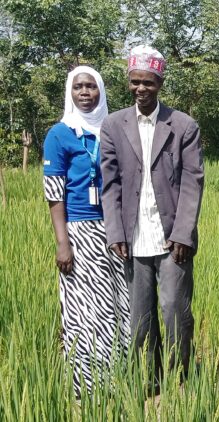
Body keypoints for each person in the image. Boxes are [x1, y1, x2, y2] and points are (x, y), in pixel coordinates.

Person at [100, 46, 204, 387]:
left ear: (160, 83)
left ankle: (180, 380)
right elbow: (110, 182)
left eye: (148, 82)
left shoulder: (182, 125)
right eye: (135, 82)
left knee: (175, 311)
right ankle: (151, 381)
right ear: (128, 82)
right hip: (133, 238)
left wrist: (184, 234)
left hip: (172, 237)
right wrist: (115, 232)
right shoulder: (114, 125)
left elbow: (193, 182)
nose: (141, 89)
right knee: (141, 320)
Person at [43, 66, 130, 398]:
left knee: (119, 306)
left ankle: (119, 381)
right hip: (80, 231)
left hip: (115, 229)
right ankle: (86, 387)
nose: (84, 92)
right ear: (70, 92)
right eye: (78, 87)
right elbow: (54, 194)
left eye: (91, 87)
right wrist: (62, 242)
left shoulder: (114, 130)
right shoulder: (60, 134)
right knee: (84, 309)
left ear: (101, 91)